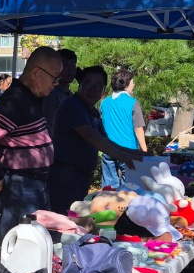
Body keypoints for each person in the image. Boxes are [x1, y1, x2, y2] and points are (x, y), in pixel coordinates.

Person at [0, 46, 61, 237]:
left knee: (38, 241)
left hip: (34, 184)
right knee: (23, 243)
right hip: (20, 186)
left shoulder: (31, 98)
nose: (56, 84)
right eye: (54, 77)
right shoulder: (15, 100)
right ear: (36, 73)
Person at [48, 66, 145, 213]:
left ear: (103, 91)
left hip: (81, 177)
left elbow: (106, 140)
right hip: (65, 176)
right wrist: (122, 156)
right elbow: (90, 135)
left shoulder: (92, 111)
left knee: (76, 218)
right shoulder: (72, 105)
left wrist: (135, 153)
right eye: (88, 84)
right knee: (64, 219)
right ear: (79, 85)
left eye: (98, 86)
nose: (92, 90)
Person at [100, 67, 147, 190]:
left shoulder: (104, 102)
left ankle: (108, 201)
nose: (134, 84)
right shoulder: (132, 102)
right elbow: (138, 128)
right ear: (126, 84)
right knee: (130, 187)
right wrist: (144, 151)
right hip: (128, 149)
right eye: (132, 82)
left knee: (109, 186)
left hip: (108, 148)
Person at [42, 48, 78, 126]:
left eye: (72, 65)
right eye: (66, 65)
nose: (70, 69)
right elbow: (49, 123)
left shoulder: (69, 94)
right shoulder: (51, 93)